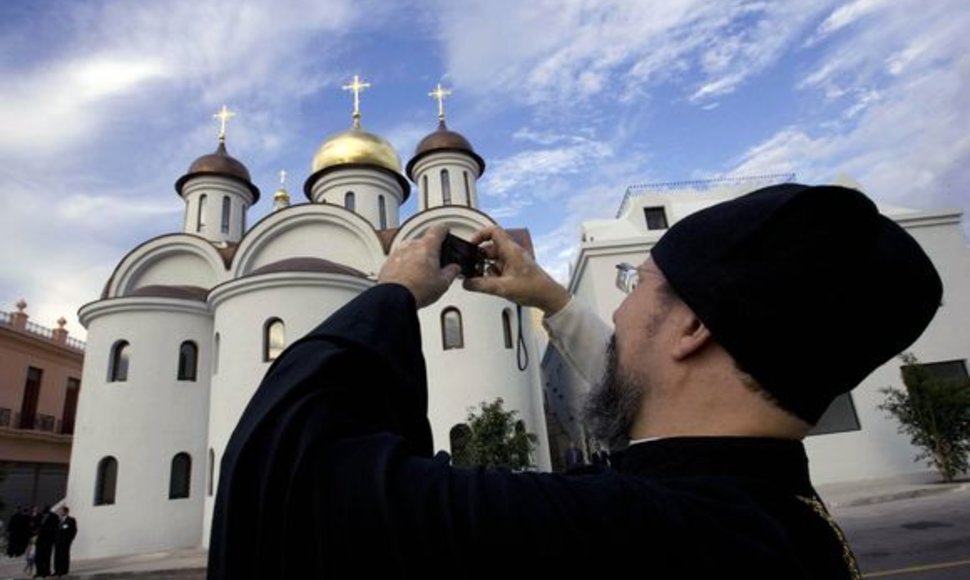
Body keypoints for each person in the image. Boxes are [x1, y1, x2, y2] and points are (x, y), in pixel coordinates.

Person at [208, 184, 942, 579]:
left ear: (692, 330)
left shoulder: (628, 532)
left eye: (640, 283)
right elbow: (666, 405)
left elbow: (287, 480)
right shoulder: (778, 517)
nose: (619, 308)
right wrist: (553, 301)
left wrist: (393, 294)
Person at [33, 506, 58, 578]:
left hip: (48, 540)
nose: (45, 515)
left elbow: (55, 528)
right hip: (40, 540)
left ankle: (46, 571)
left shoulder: (54, 517)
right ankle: (39, 571)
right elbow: (35, 525)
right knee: (38, 557)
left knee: (46, 557)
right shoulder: (39, 516)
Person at [52, 507, 77, 577]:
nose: (60, 512)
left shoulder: (71, 520)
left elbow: (74, 530)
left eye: (61, 511)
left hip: (65, 542)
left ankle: (63, 570)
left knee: (64, 556)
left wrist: (70, 539)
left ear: (66, 512)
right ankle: (57, 570)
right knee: (57, 556)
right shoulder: (58, 520)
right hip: (57, 541)